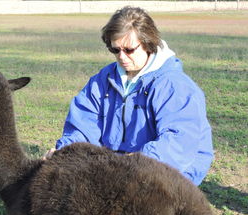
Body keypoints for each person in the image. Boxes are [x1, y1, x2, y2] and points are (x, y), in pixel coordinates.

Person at [44, 6, 213, 186]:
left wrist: (136, 163)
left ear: (148, 43)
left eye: (129, 50)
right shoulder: (103, 80)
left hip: (170, 167)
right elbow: (83, 126)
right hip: (119, 164)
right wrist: (65, 152)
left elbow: (179, 142)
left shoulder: (174, 86)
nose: (122, 57)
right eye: (115, 50)